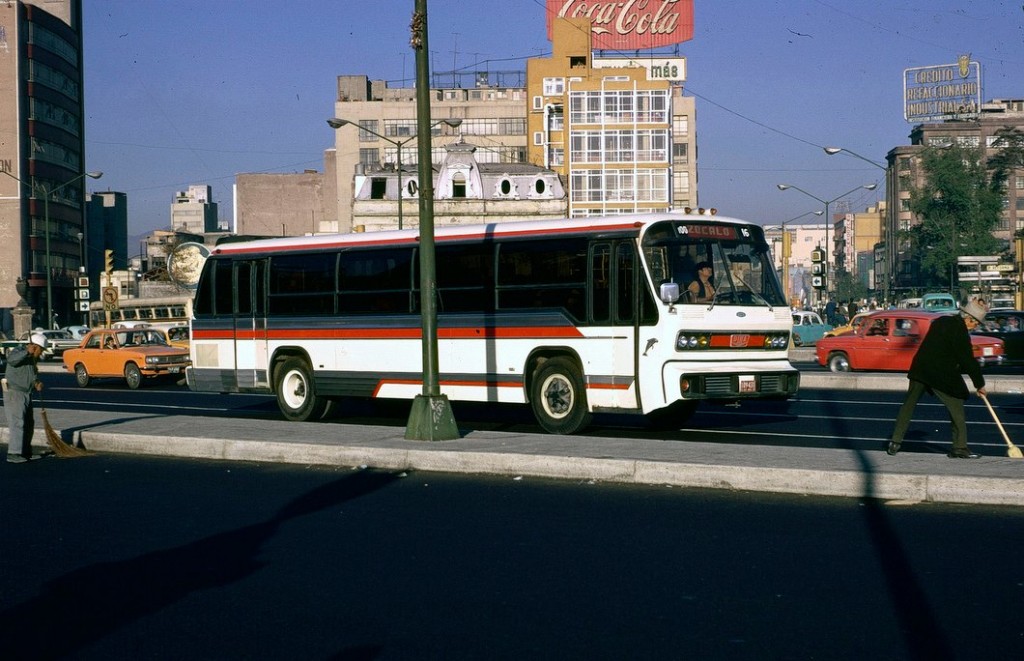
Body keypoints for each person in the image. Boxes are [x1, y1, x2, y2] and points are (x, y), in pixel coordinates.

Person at [887, 298, 989, 459]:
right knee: (956, 405)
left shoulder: (942, 321)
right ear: (969, 319)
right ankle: (959, 447)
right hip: (940, 372)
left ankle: (895, 442)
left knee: (908, 404)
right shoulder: (960, 331)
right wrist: (979, 385)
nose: (975, 327)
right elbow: (967, 360)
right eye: (975, 323)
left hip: (920, 367)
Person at [2, 332, 48, 463]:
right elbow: (12, 360)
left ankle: (26, 452)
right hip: (15, 393)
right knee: (17, 423)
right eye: (41, 350)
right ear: (35, 347)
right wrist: (26, 352)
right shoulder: (19, 351)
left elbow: (31, 375)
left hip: (27, 393)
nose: (41, 353)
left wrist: (36, 383)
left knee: (28, 424)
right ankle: (13, 453)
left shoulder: (32, 360)